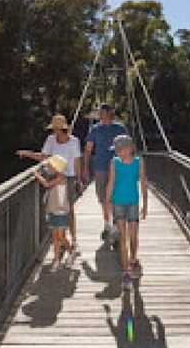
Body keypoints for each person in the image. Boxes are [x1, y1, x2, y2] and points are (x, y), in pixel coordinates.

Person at [17, 114, 82, 258]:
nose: (54, 132)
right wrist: (27, 154)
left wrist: (79, 180)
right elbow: (44, 157)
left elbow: (77, 161)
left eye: (55, 129)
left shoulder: (74, 141)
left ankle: (73, 239)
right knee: (57, 210)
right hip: (53, 177)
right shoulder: (51, 140)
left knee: (68, 210)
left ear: (61, 129)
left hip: (69, 178)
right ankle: (61, 241)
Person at [105, 134, 148, 289]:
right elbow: (111, 182)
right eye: (116, 150)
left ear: (129, 149)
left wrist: (146, 204)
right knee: (122, 238)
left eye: (119, 149)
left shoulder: (139, 161)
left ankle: (133, 259)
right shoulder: (114, 162)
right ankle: (126, 273)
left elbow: (143, 182)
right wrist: (106, 203)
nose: (117, 152)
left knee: (133, 237)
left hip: (133, 203)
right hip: (118, 203)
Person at [83, 103, 127, 238]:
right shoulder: (95, 129)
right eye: (99, 113)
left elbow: (128, 147)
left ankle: (114, 225)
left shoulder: (120, 128)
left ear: (109, 113)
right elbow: (88, 149)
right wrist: (85, 168)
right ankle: (107, 223)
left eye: (101, 113)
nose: (99, 115)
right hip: (100, 168)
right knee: (102, 197)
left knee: (116, 197)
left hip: (117, 167)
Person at [33, 154, 70, 271]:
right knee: (55, 237)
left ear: (56, 168)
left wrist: (37, 175)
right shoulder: (55, 175)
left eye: (51, 166)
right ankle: (57, 260)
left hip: (61, 211)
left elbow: (47, 184)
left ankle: (71, 251)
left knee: (61, 236)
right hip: (53, 210)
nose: (49, 167)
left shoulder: (61, 177)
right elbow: (46, 170)